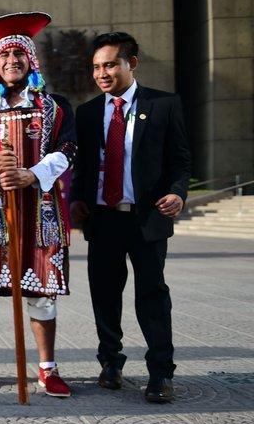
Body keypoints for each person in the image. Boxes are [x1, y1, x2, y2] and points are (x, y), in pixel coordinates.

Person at [0, 12, 77, 398]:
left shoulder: (55, 106)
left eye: (18, 56)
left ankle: (47, 368)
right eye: (4, 57)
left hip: (39, 209)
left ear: (31, 61)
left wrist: (32, 174)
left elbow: (68, 149)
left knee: (41, 289)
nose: (11, 62)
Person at [70, 32, 191, 403]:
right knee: (105, 295)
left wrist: (178, 193)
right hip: (103, 219)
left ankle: (160, 373)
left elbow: (180, 160)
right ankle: (110, 362)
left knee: (152, 296)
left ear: (130, 64)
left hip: (146, 219)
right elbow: (83, 168)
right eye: (96, 67)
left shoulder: (164, 105)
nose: (102, 73)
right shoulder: (88, 113)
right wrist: (77, 199)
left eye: (109, 64)